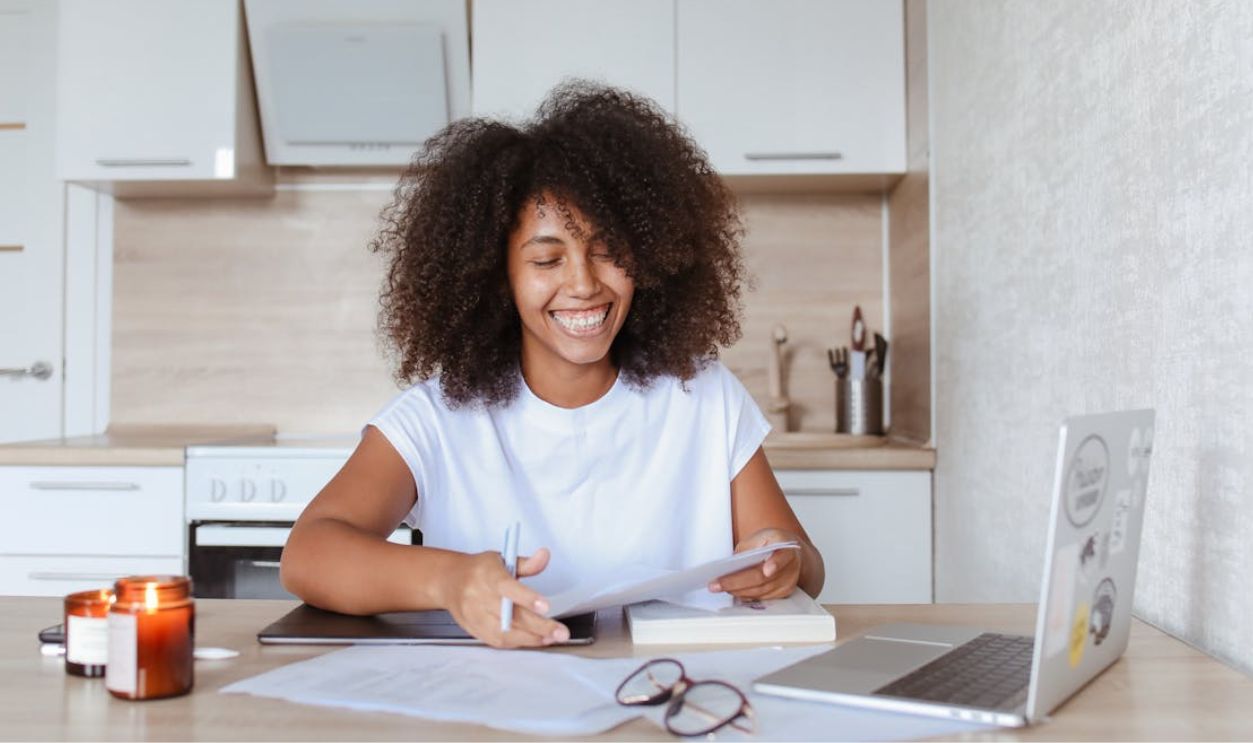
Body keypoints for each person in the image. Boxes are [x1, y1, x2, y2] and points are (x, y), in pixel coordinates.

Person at [280, 81, 825, 649]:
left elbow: (802, 561)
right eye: (546, 259)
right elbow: (308, 552)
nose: (585, 284)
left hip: (673, 702)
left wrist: (782, 561)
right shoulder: (439, 418)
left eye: (610, 251)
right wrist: (450, 580)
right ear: (497, 276)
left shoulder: (704, 396)